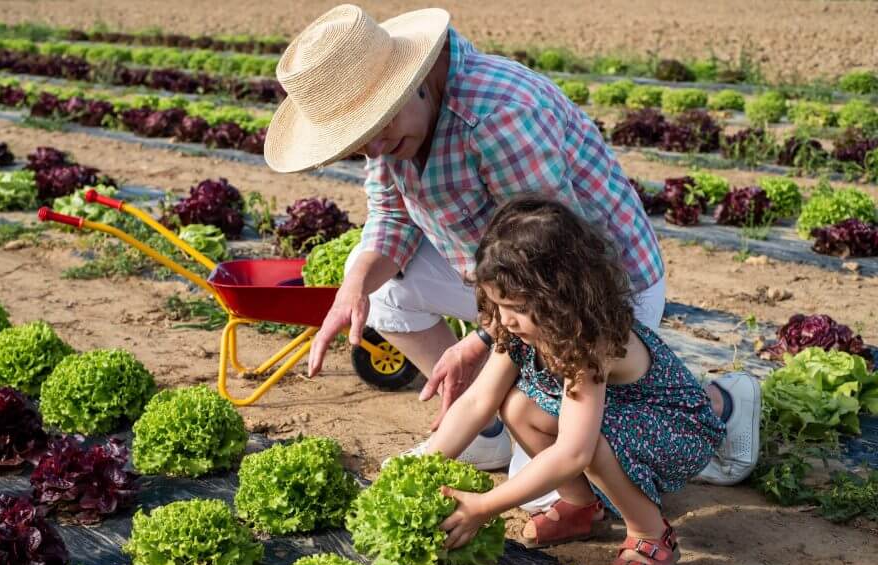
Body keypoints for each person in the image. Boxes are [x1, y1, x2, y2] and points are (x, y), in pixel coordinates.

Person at [262, 4, 759, 496]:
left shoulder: (498, 116)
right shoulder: (396, 128)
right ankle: (489, 427)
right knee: (383, 292)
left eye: (377, 131)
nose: (372, 151)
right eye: (358, 141)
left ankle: (720, 405)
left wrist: (481, 340)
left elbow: (556, 263)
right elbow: (391, 218)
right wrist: (354, 290)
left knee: (553, 477)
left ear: (409, 81)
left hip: (594, 287)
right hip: (503, 287)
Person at [427, 196, 725, 565]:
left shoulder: (589, 342)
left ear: (559, 298)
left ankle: (650, 533)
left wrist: (485, 506)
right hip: (619, 417)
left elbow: (573, 452)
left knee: (591, 444)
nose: (504, 318)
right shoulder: (514, 327)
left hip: (675, 429)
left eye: (515, 306)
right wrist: (425, 463)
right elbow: (477, 401)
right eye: (497, 304)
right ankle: (582, 507)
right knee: (516, 405)